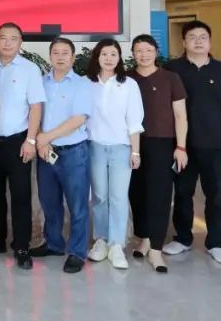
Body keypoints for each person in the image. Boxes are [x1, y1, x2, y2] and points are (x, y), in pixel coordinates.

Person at [163, 20, 221, 266]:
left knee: (216, 195)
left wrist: (212, 121)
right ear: (183, 41)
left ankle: (215, 243)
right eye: (192, 37)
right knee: (183, 193)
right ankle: (183, 238)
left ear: (209, 41)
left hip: (215, 144)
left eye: (203, 37)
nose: (198, 41)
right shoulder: (172, 69)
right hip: (182, 145)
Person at [0, 22, 46, 270]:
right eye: (3, 37)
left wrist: (31, 140)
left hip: (18, 142)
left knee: (21, 196)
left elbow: (36, 106)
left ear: (20, 42)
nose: (7, 43)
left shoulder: (30, 69)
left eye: (13, 38)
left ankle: (21, 246)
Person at [30, 37, 93, 274]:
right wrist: (41, 140)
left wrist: (46, 137)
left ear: (73, 57)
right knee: (49, 202)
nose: (60, 57)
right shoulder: (41, 82)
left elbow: (79, 119)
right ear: (50, 56)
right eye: (55, 52)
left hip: (73, 152)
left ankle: (77, 252)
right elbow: (34, 112)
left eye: (65, 53)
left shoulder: (82, 84)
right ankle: (54, 244)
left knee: (77, 205)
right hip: (46, 152)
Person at [127, 34, 188, 273]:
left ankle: (156, 249)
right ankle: (143, 238)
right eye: (139, 50)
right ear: (133, 54)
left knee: (160, 195)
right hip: (131, 144)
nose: (143, 55)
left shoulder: (170, 78)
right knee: (136, 193)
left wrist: (181, 147)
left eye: (148, 50)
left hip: (162, 143)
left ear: (156, 52)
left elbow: (180, 115)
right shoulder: (127, 79)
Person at [84, 39, 144, 270]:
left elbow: (134, 119)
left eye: (113, 54)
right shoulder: (87, 83)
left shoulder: (128, 84)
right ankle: (101, 240)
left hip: (121, 147)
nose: (109, 58)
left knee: (118, 197)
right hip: (94, 146)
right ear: (97, 57)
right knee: (99, 196)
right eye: (104, 54)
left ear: (119, 58)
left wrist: (135, 151)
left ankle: (117, 244)